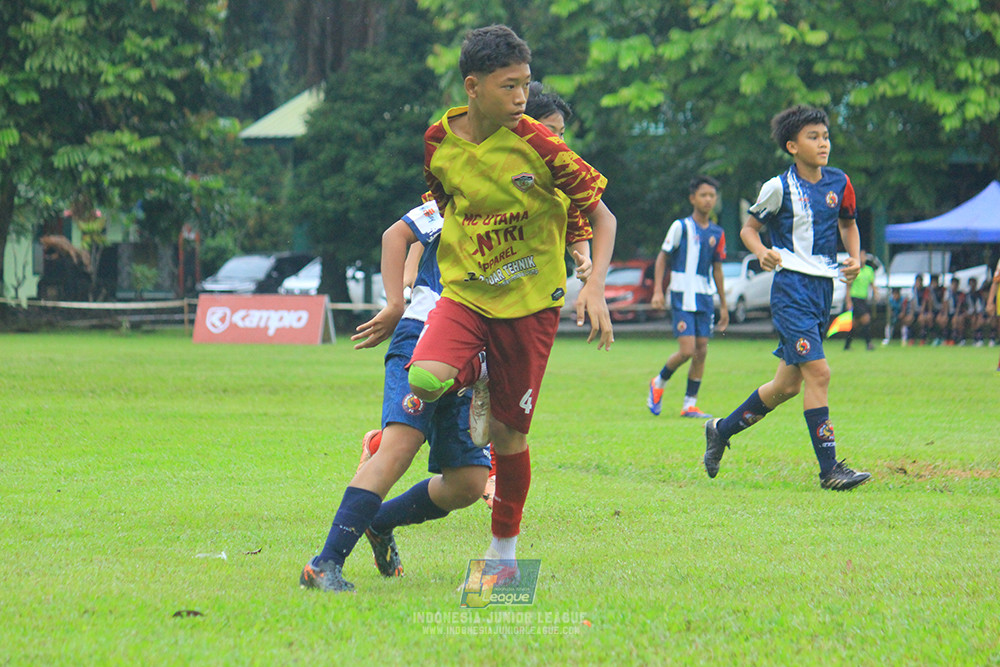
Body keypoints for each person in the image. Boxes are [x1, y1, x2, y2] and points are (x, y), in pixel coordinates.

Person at [407, 24, 617, 572]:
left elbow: (600, 213)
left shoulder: (539, 141)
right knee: (423, 378)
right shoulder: (438, 140)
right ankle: (476, 369)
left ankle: (503, 557)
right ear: (472, 87)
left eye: (526, 84)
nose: (522, 97)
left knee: (509, 435)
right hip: (468, 294)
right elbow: (444, 200)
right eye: (509, 86)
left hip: (530, 305)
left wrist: (593, 285)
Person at [702, 105, 870, 491]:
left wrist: (856, 257)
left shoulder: (840, 182)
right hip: (791, 289)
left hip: (822, 291)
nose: (823, 142)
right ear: (793, 146)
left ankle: (720, 430)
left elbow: (849, 223)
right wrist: (762, 252)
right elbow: (749, 229)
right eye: (814, 137)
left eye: (825, 136)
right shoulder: (778, 187)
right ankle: (830, 470)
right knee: (820, 373)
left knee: (787, 387)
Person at [647, 175, 729, 419]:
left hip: (704, 296)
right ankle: (659, 381)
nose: (708, 200)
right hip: (682, 294)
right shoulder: (680, 226)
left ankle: (689, 404)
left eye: (712, 195)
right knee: (687, 350)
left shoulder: (717, 232)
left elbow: (717, 269)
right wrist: (658, 291)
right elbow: (663, 257)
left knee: (701, 350)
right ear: (693, 198)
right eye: (703, 195)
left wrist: (723, 305)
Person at [843, 250, 876, 351]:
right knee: (866, 318)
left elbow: (872, 284)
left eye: (864, 256)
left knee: (855, 323)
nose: (862, 258)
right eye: (860, 256)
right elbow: (848, 286)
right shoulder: (854, 269)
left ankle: (847, 345)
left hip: (863, 299)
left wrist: (876, 292)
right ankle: (869, 343)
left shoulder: (869, 270)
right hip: (855, 298)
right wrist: (848, 301)